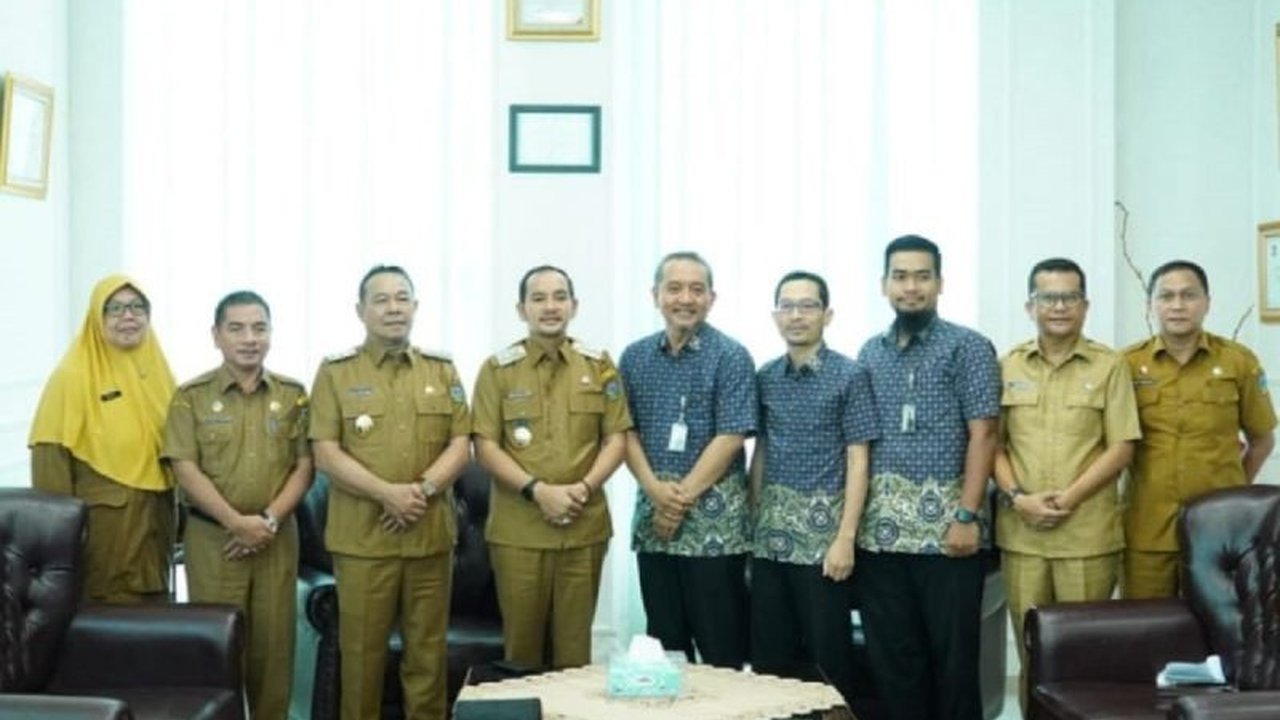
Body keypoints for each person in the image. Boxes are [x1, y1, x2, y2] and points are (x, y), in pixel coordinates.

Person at [309, 265, 471, 720]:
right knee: (361, 657)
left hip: (430, 537)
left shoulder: (441, 369)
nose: (393, 308)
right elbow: (325, 451)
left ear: (415, 307)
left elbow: (462, 443)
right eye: (381, 299)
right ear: (360, 310)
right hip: (363, 542)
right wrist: (387, 494)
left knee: (427, 656)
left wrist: (420, 491)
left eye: (403, 298)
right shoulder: (336, 372)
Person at [855, 235, 1000, 720]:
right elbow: (861, 443)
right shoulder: (870, 352)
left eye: (922, 276)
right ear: (884, 284)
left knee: (955, 664)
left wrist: (966, 515)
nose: (911, 287)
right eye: (900, 276)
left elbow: (985, 435)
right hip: (881, 536)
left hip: (948, 536)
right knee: (894, 662)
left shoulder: (968, 347)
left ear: (939, 283)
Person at [992, 258, 1140, 710]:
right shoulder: (1007, 364)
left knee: (1084, 657)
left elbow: (1122, 446)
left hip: (1087, 538)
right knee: (1031, 652)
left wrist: (1069, 499)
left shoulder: (1110, 365)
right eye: (1048, 298)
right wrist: (1020, 499)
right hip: (1023, 537)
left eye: (1069, 297)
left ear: (1085, 305)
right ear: (1030, 305)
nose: (1059, 307)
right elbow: (991, 446)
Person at [471, 265, 632, 669]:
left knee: (574, 657)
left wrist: (584, 488)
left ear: (574, 306)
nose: (550, 306)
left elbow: (617, 438)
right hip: (520, 531)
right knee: (521, 657)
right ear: (521, 309)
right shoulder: (497, 370)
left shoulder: (599, 366)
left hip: (583, 527)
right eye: (538, 298)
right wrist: (538, 491)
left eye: (560, 297)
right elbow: (485, 445)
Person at [162, 290, 313, 720]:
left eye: (259, 328)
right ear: (216, 335)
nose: (250, 338)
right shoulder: (189, 397)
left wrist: (266, 521)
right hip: (214, 540)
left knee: (273, 653)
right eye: (237, 328)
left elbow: (305, 465)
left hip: (276, 538)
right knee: (217, 648)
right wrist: (235, 522)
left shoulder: (294, 395)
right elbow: (184, 466)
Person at [618, 251, 757, 668]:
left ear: (712, 298)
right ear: (655, 295)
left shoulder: (730, 355)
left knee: (722, 647)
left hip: (714, 527)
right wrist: (655, 492)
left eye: (697, 289)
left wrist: (677, 502)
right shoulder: (635, 356)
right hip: (654, 522)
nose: (686, 298)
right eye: (675, 288)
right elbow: (624, 432)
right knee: (666, 645)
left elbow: (732, 435)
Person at [749, 270, 876, 706]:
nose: (797, 315)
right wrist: (753, 520)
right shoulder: (765, 376)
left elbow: (859, 459)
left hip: (824, 544)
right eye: (788, 306)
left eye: (808, 306)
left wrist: (845, 538)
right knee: (768, 658)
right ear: (775, 316)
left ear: (828, 314)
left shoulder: (850, 376)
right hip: (770, 542)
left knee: (829, 659)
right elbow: (761, 451)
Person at [1122, 260, 1277, 599]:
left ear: (1207, 302)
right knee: (1146, 630)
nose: (1178, 305)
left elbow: (1263, 439)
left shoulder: (1239, 362)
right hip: (1148, 528)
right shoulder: (1128, 365)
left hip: (1221, 530)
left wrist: (1232, 489)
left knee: (1222, 631)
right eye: (1167, 296)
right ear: (1150, 305)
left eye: (1189, 295)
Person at [29, 274, 177, 603]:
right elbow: (49, 463)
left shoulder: (159, 372)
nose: (129, 316)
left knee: (159, 624)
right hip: (103, 533)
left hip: (155, 527)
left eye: (138, 307)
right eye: (116, 309)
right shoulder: (72, 376)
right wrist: (59, 545)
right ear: (97, 318)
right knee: (107, 629)